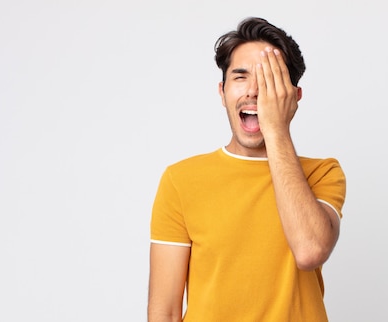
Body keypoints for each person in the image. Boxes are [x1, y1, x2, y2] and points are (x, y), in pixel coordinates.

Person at [148, 17, 346, 322]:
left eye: (270, 80)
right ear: (222, 90)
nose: (254, 91)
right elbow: (165, 312)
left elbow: (310, 250)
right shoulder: (180, 180)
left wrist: (276, 129)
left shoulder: (322, 173)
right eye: (240, 77)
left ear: (293, 96)